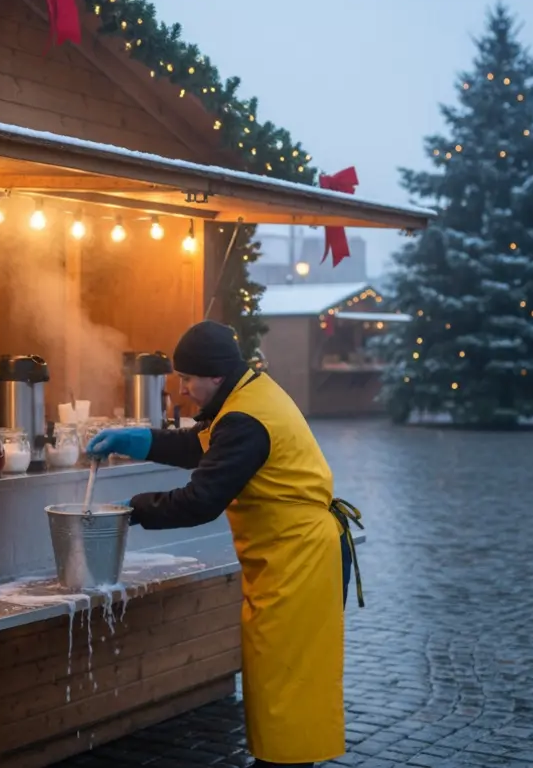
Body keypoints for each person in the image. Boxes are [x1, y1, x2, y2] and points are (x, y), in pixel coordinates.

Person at [87, 320, 363, 768]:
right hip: (286, 560)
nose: (183, 389)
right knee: (276, 683)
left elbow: (201, 500)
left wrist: (132, 510)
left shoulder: (245, 418)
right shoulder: (245, 395)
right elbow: (203, 446)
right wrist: (140, 441)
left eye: (188, 379)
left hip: (300, 564)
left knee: (288, 688)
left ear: (214, 376)